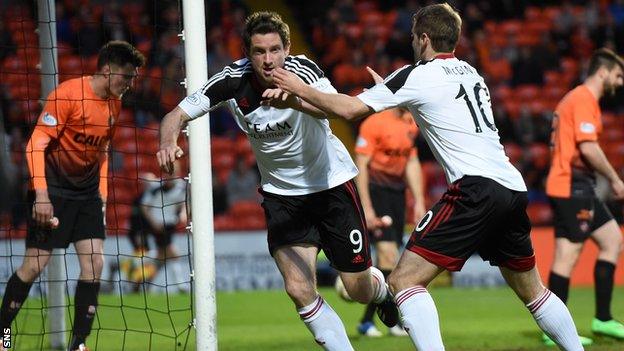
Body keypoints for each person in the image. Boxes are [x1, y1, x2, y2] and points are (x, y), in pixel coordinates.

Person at [265, 3, 585, 350]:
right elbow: (441, 115)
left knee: (403, 282)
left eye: (414, 37)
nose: (412, 43)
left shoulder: (416, 75)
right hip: (511, 187)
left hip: (475, 190)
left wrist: (297, 89)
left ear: (424, 38)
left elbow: (349, 109)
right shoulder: (471, 73)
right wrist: (392, 94)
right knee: (533, 291)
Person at [156, 11, 397, 350]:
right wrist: (168, 142)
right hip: (283, 197)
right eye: (259, 51)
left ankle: (383, 290)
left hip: (330, 187)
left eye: (274, 50)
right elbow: (175, 114)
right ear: (247, 52)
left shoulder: (304, 71)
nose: (268, 60)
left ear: (286, 48)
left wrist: (297, 99)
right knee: (299, 289)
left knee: (357, 290)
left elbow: (335, 109)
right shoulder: (232, 80)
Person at [0, 40, 145, 351]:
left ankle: (78, 344)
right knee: (34, 265)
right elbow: (35, 144)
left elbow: (102, 150)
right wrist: (40, 193)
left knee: (95, 262)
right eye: (126, 77)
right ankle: (3, 335)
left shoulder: (114, 104)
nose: (130, 85)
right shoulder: (67, 95)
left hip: (88, 194)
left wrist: (103, 197)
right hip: (52, 191)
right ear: (107, 71)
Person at [544, 47, 624, 345]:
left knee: (612, 240)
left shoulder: (579, 99)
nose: (620, 81)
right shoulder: (582, 99)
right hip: (570, 186)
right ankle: (553, 330)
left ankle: (602, 319)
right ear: (602, 72)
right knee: (567, 255)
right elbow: (588, 148)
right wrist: (615, 179)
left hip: (581, 187)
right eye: (618, 75)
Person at [353, 107, 425, 337]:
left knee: (392, 259)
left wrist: (419, 202)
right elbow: (361, 165)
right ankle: (386, 320)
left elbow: (411, 162)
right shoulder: (374, 123)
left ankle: (371, 322)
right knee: (388, 255)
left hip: (397, 193)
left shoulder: (411, 122)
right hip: (375, 190)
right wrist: (367, 207)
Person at [122, 172, 188, 293]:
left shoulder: (180, 187)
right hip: (159, 226)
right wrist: (153, 223)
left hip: (170, 225)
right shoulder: (147, 194)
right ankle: (180, 285)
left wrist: (183, 214)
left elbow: (183, 202)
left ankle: (136, 263)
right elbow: (142, 211)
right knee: (173, 253)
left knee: (164, 256)